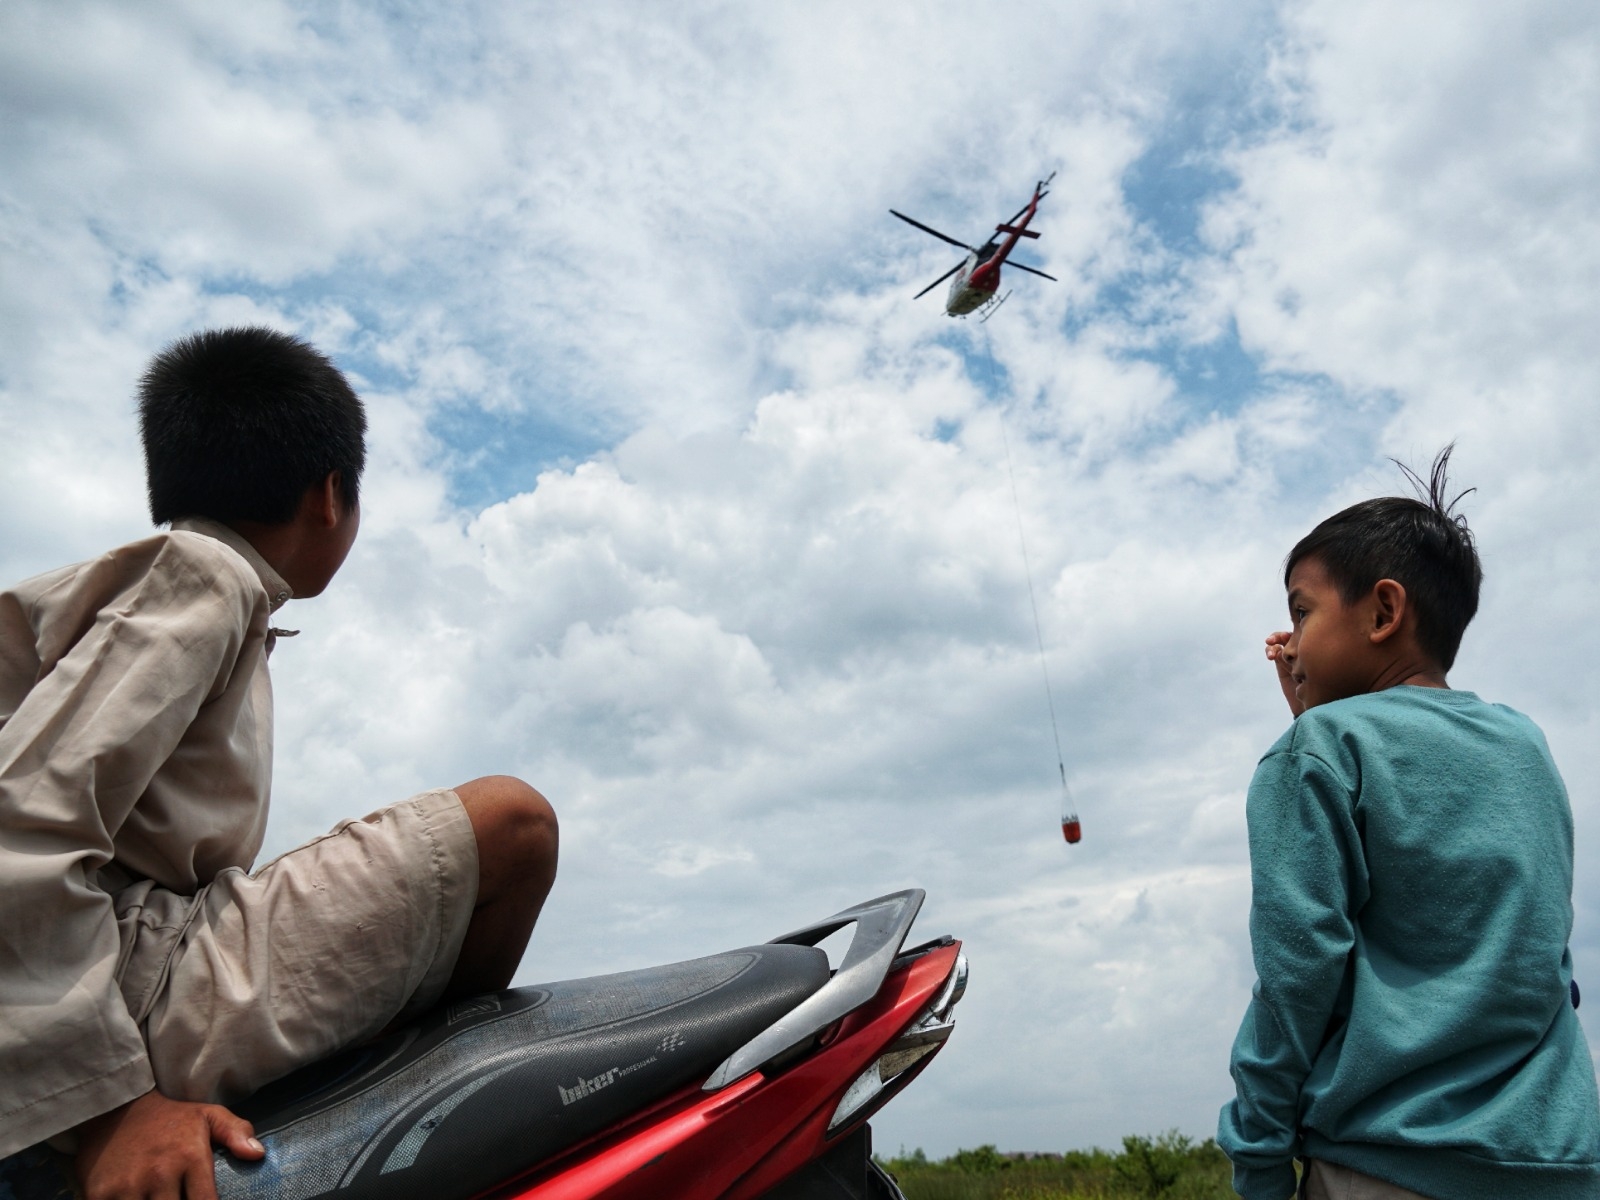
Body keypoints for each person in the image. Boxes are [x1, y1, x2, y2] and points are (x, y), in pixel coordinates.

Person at [0, 327, 559, 1200]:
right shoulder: (204, 575)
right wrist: (115, 1109)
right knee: (512, 827)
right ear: (330, 494)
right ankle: (428, 1126)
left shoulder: (166, 585)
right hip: (105, 986)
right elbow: (21, 825)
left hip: (105, 966)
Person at [1216, 447, 1600, 1199]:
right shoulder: (1524, 742)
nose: (1289, 642)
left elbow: (1298, 976)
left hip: (1389, 1163)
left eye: (1302, 610)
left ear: (1385, 612)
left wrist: (1259, 1159)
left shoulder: (1316, 752)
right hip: (1557, 1162)